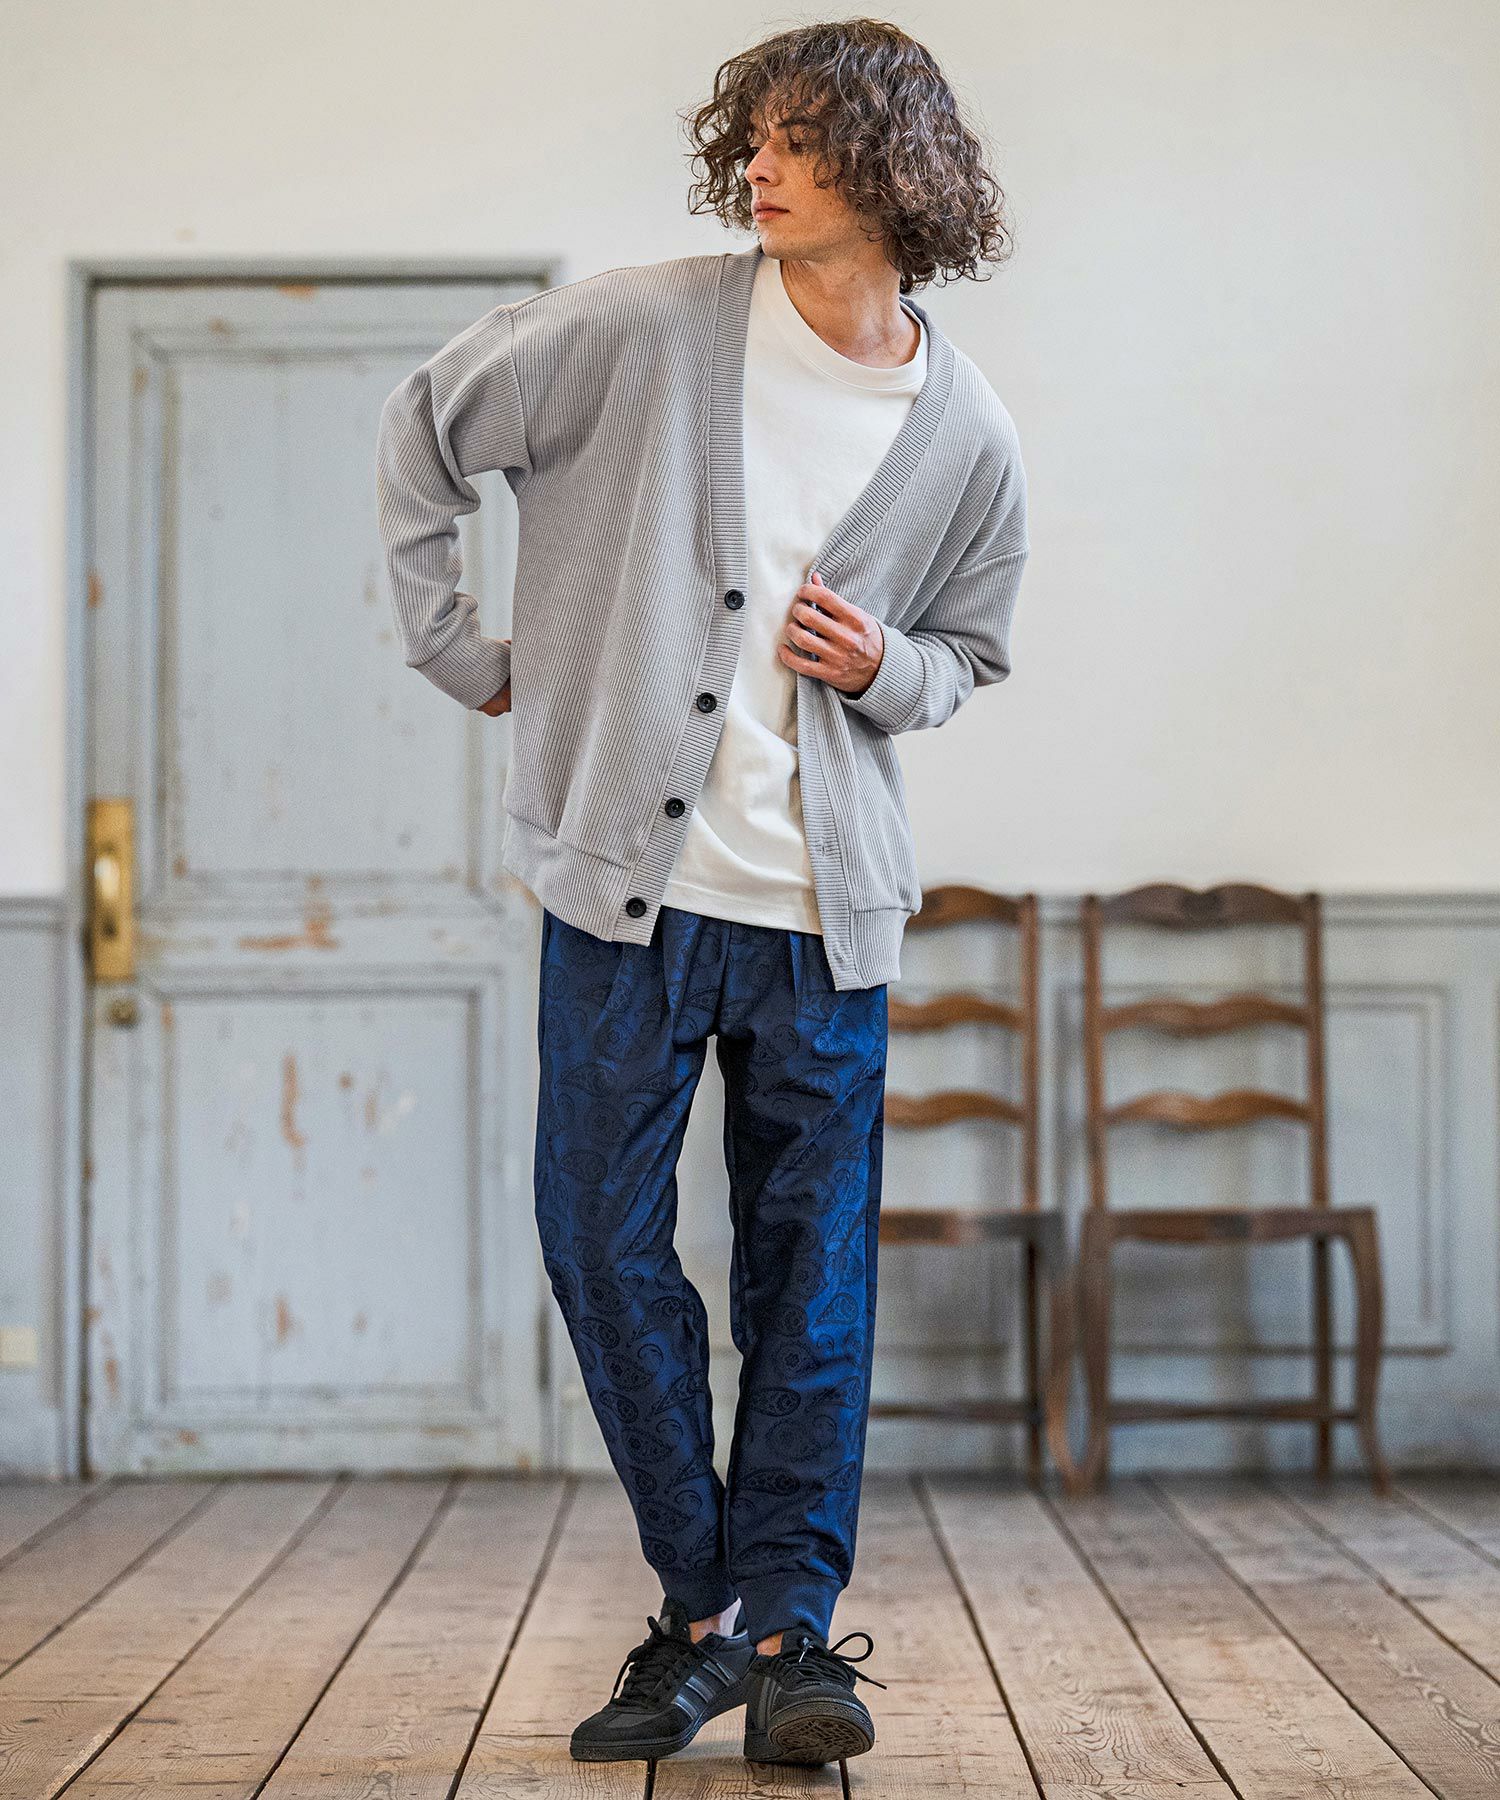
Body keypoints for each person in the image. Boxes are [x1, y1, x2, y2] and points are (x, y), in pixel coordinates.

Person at [375, 15, 1029, 1769]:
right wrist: (461, 652)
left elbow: (971, 655)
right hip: (628, 899)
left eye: (801, 138)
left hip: (827, 915)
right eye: (753, 135)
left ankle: (789, 1639)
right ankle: (710, 1605)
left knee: (812, 1284)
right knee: (597, 1243)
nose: (760, 164)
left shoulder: (965, 428)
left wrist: (887, 665)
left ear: (896, 168)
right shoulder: (643, 327)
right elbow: (425, 425)